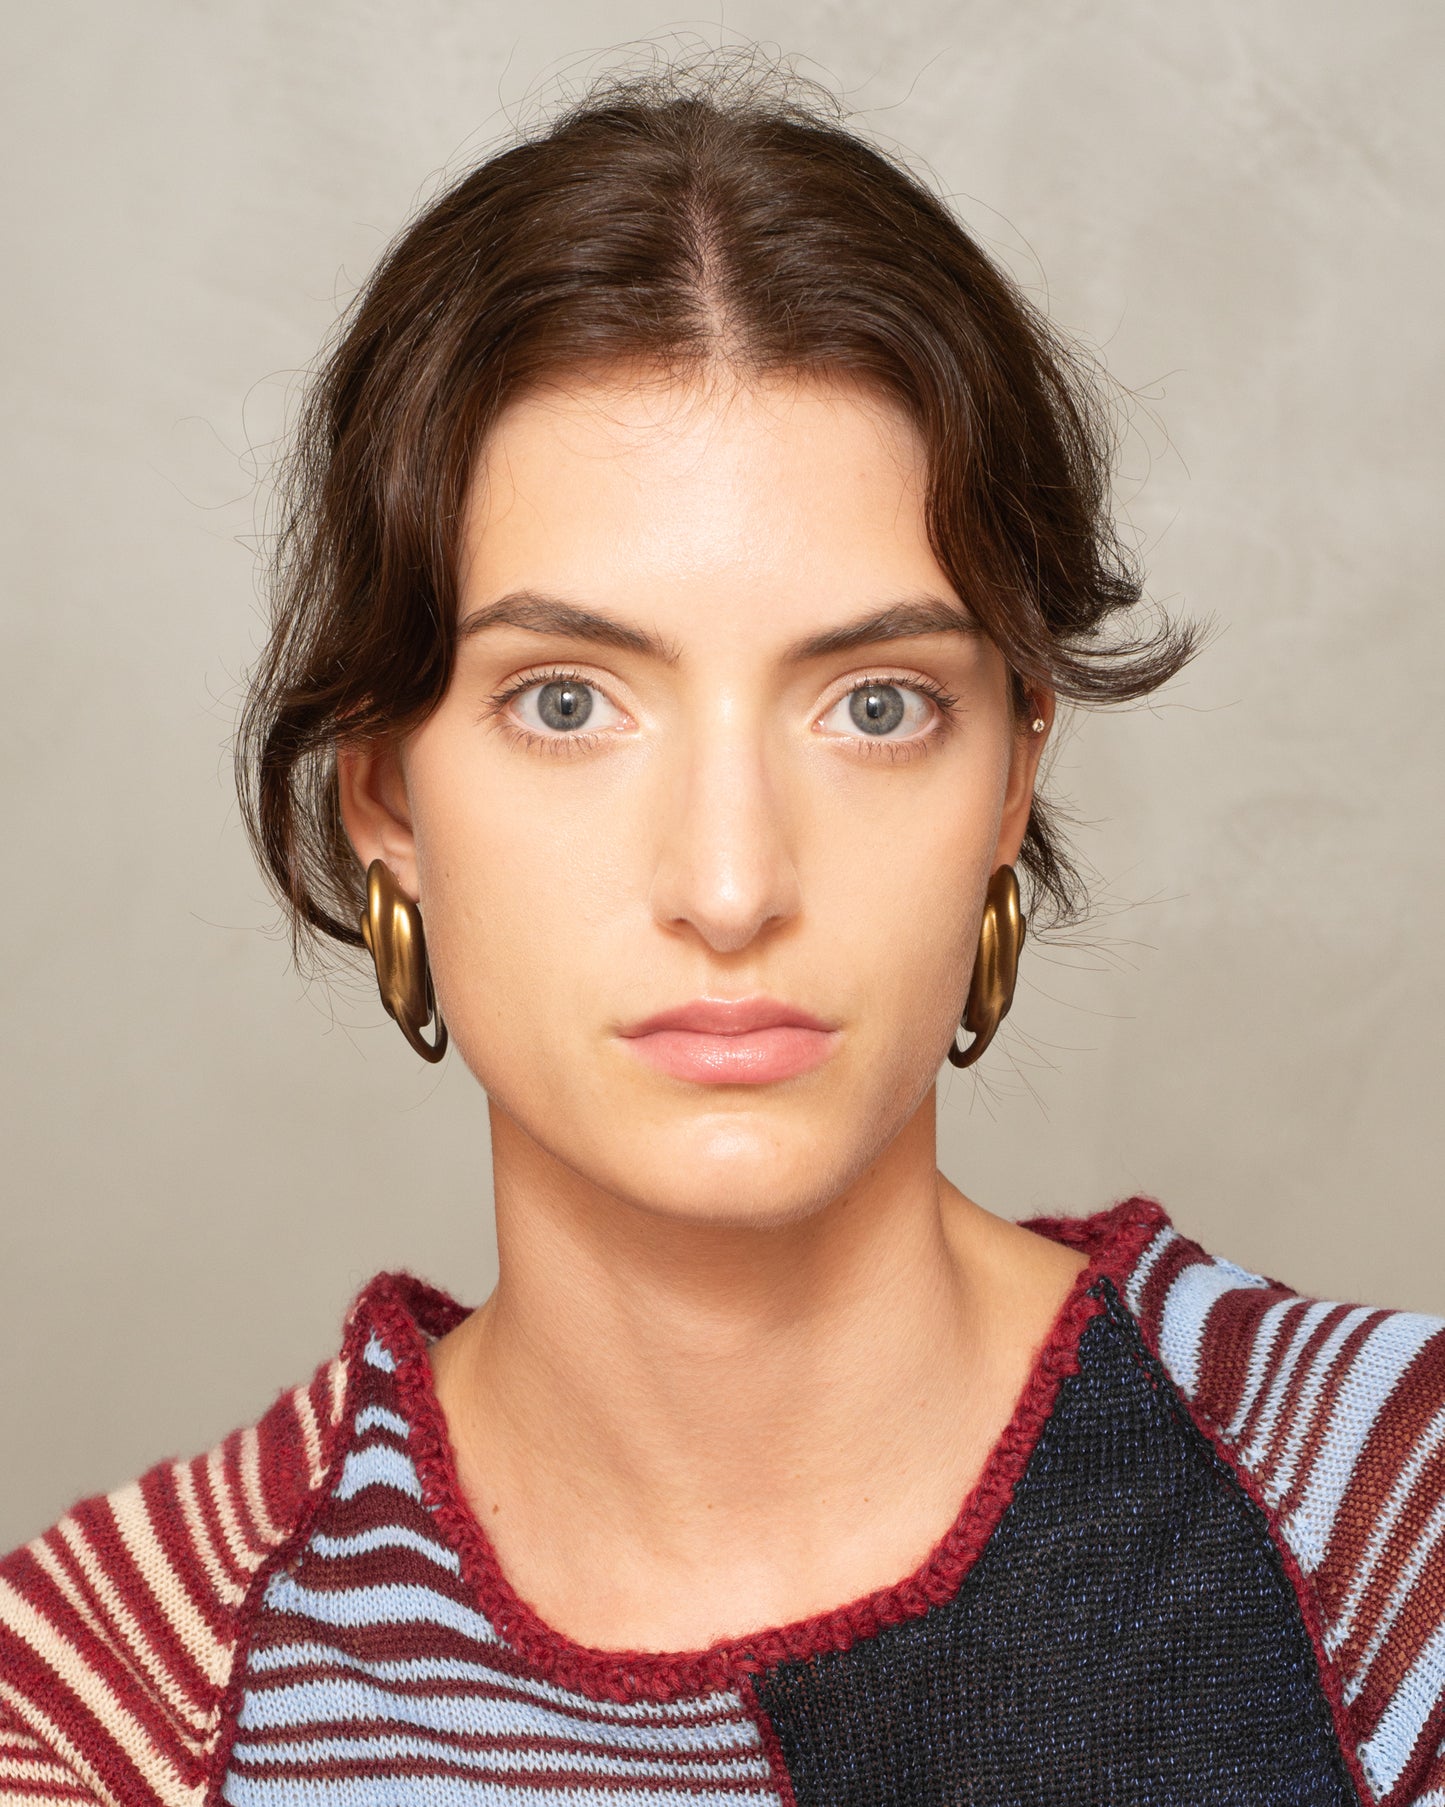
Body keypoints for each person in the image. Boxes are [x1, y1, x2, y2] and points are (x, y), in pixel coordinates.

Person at [2, 65, 1442, 1807]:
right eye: (565, 703)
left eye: (875, 706)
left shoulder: (1396, 1525)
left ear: (1009, 777)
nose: (733, 881)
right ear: (383, 794)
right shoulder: (116, 1705)